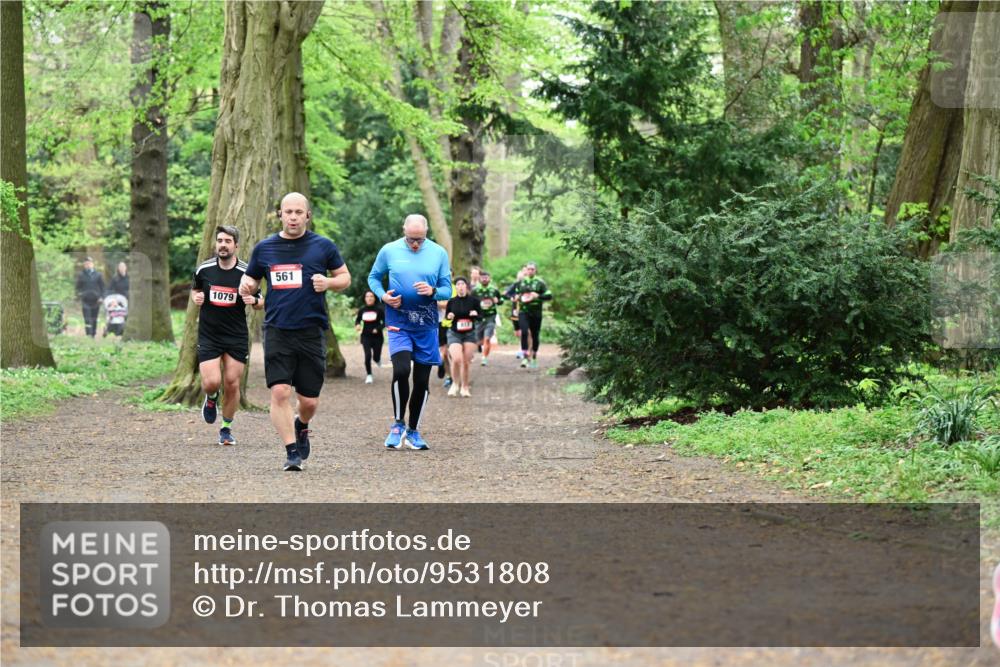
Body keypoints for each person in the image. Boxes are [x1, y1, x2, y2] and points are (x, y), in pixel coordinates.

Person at [240, 193, 351, 471]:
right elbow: (251, 278)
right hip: (277, 329)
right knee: (279, 391)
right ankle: (291, 452)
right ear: (280, 214)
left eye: (298, 212)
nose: (293, 217)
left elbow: (345, 278)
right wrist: (247, 286)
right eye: (288, 211)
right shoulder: (265, 248)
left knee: (309, 401)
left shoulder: (323, 246)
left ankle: (301, 424)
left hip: (311, 330)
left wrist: (328, 282)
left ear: (307, 216)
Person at [367, 214, 451, 450]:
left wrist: (433, 291)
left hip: (426, 325)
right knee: (402, 370)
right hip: (399, 322)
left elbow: (448, 289)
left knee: (422, 380)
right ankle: (397, 424)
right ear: (403, 229)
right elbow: (373, 278)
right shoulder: (389, 250)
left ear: (427, 233)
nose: (415, 244)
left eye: (420, 240)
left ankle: (413, 430)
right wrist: (383, 296)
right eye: (411, 239)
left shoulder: (439, 253)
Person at [192, 226, 262, 446]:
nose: (223, 245)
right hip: (209, 334)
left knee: (232, 383)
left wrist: (254, 301)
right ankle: (212, 398)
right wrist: (196, 297)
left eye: (228, 241)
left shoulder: (246, 273)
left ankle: (226, 429)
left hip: (236, 335)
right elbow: (195, 289)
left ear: (236, 245)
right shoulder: (204, 269)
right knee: (211, 382)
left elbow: (260, 301)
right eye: (220, 240)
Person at [511, 261, 552, 369]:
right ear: (526, 270)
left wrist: (537, 296)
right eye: (528, 269)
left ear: (535, 270)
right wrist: (517, 298)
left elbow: (549, 296)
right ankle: (525, 356)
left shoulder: (540, 283)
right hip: (523, 311)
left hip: (536, 312)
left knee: (535, 334)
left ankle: (534, 357)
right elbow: (515, 294)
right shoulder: (521, 282)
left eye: (532, 269)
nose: (530, 271)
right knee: (524, 332)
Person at [445, 277, 480, 397]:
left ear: (466, 286)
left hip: (470, 333)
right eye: (458, 284)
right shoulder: (451, 301)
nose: (460, 286)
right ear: (456, 287)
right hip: (455, 333)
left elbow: (481, 316)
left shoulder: (474, 301)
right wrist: (449, 315)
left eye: (462, 284)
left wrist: (476, 314)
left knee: (465, 362)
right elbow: (447, 316)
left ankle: (464, 386)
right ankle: (455, 384)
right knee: (456, 359)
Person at [355, 290, 385, 384]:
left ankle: (377, 360)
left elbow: (385, 322)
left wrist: (378, 328)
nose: (369, 298)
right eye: (367, 296)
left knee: (375, 357)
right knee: (367, 355)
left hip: (377, 337)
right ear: (365, 298)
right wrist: (357, 325)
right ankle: (369, 375)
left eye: (371, 296)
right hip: (366, 336)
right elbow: (358, 320)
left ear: (374, 298)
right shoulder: (362, 310)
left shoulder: (379, 309)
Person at [473, 270, 502, 366]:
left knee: (487, 339)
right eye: (483, 277)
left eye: (486, 277)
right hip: (479, 318)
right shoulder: (475, 290)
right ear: (479, 279)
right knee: (478, 340)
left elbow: (501, 300)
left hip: (491, 317)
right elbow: (470, 302)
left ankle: (484, 358)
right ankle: (475, 352)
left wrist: (498, 301)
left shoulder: (494, 290)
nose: (484, 279)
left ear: (489, 279)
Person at [75, 257, 104, 338]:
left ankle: (93, 334)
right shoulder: (81, 275)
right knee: (87, 319)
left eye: (89, 263)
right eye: (86, 264)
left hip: (96, 301)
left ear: (92, 264)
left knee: (94, 318)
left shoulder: (98, 275)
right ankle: (88, 335)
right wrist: (80, 294)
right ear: (84, 265)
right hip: (85, 300)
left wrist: (101, 297)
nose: (88, 265)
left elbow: (102, 287)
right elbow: (77, 288)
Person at [505, 266, 527, 357]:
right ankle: (523, 347)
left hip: (526, 310)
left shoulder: (531, 284)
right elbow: (507, 293)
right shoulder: (516, 285)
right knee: (517, 332)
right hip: (516, 310)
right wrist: (512, 297)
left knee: (524, 330)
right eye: (523, 272)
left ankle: (523, 349)